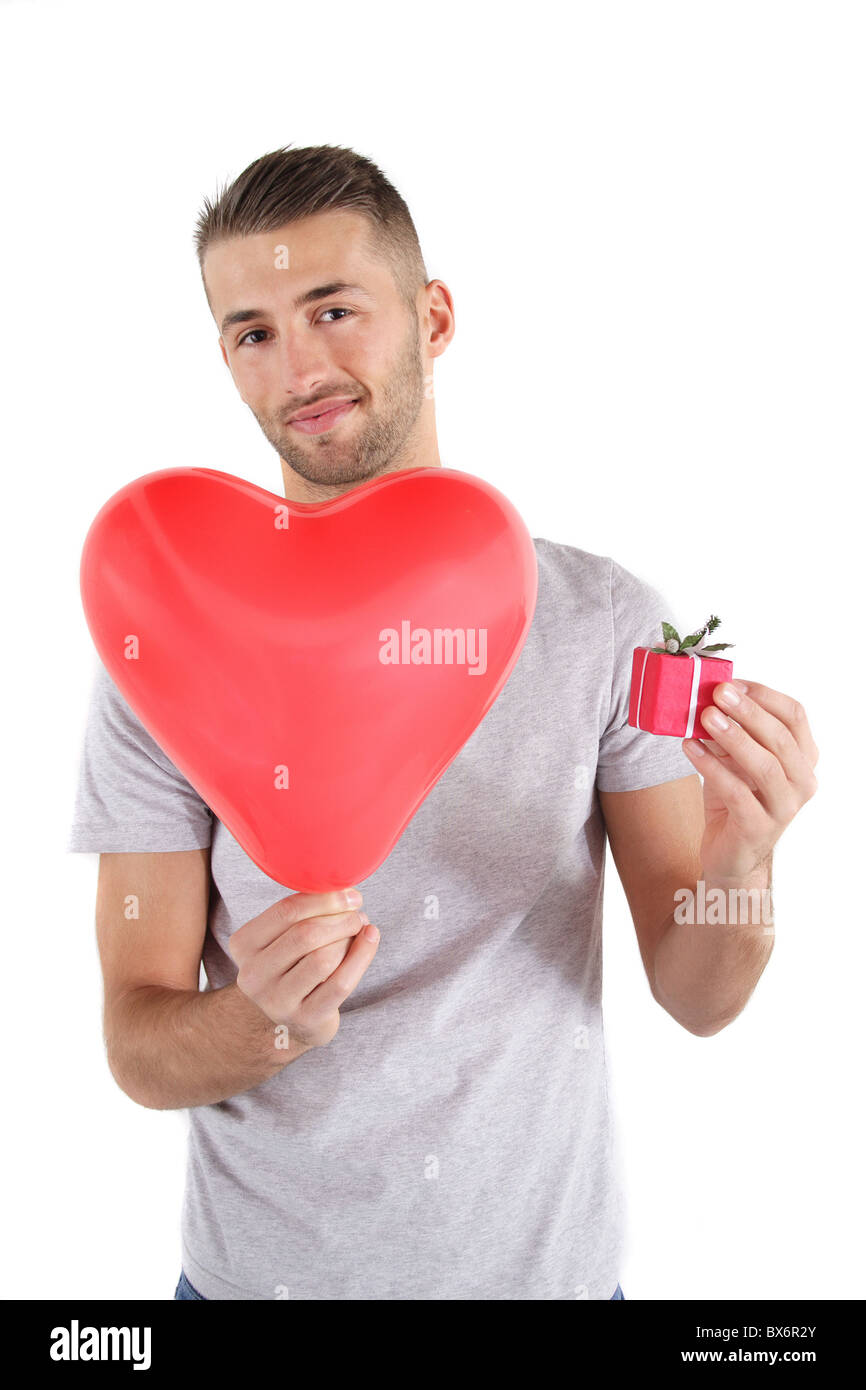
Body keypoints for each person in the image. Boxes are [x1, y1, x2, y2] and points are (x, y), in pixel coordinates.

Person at [68, 144, 818, 1301]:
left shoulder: (606, 623)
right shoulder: (158, 652)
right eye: (253, 331)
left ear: (432, 317)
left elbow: (697, 993)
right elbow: (137, 1043)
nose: (301, 365)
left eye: (333, 309)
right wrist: (260, 1020)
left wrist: (744, 862)